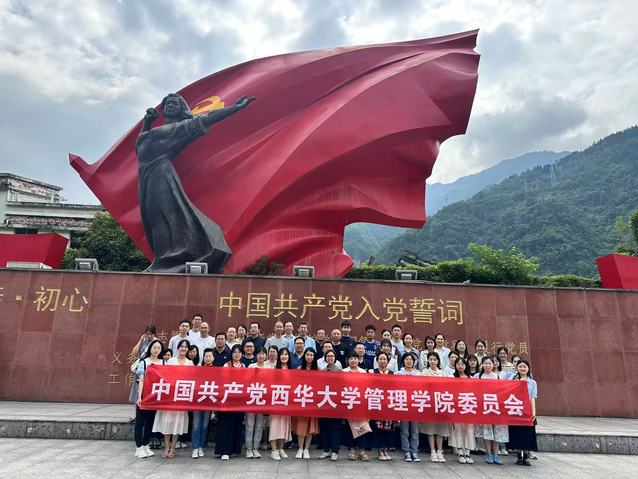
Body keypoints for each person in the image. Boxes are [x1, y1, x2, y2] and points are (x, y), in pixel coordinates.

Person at [152, 339, 193, 458]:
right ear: (178, 348)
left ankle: (173, 448)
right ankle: (166, 448)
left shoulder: (190, 363)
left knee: (177, 423)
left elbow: (191, 379)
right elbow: (165, 376)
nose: (183, 348)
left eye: (186, 347)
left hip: (182, 396)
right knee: (167, 422)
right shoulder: (171, 360)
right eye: (181, 346)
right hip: (170, 396)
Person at [474, 356, 508, 465]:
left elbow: (504, 391)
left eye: (490, 363)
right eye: (485, 363)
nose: (488, 365)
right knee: (487, 431)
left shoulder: (498, 377)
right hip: (484, 407)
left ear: (493, 365)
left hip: (496, 407)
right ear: (482, 365)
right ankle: (488, 454)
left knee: (497, 431)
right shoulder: (477, 376)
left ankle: (496, 454)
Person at [134, 338, 163, 458]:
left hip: (155, 396)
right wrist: (139, 397)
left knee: (150, 422)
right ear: (150, 348)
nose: (156, 350)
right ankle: (139, 447)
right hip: (145, 395)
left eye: (158, 348)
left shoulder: (163, 362)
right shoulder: (144, 362)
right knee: (140, 422)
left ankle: (146, 444)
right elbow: (141, 380)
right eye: (154, 347)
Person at [216, 345, 246, 460]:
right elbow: (224, 380)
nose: (237, 354)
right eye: (235, 352)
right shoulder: (226, 365)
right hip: (227, 399)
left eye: (239, 352)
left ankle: (234, 449)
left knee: (237, 424)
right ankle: (224, 450)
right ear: (231, 354)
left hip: (239, 401)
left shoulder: (244, 366)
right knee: (226, 425)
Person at [508, 359, 538, 466]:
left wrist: (533, 412)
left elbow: (532, 398)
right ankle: (518, 457)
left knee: (527, 434)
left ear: (528, 368)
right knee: (517, 433)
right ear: (517, 368)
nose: (522, 368)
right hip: (516, 409)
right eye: (520, 366)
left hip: (527, 410)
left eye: (524, 366)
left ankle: (525, 456)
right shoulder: (512, 379)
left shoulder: (532, 382)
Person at [421, 352, 450, 463]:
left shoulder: (443, 374)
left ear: (438, 361)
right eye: (431, 359)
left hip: (440, 403)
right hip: (429, 403)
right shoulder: (424, 373)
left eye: (434, 359)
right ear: (428, 361)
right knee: (430, 428)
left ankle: (440, 450)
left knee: (440, 428)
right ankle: (432, 451)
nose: (432, 361)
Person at [293, 347, 319, 459]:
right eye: (307, 355)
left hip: (313, 402)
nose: (309, 357)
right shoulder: (299, 369)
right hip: (302, 401)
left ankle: (306, 449)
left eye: (311, 355)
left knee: (310, 426)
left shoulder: (318, 370)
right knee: (301, 425)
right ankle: (300, 448)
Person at [245, 346, 271, 458]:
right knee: (250, 424)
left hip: (262, 399)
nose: (261, 356)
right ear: (256, 355)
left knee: (260, 425)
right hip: (251, 398)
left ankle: (256, 448)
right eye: (259, 354)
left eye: (263, 354)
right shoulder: (251, 366)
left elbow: (271, 382)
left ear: (266, 355)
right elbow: (246, 380)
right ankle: (249, 448)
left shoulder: (269, 367)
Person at [449, 357, 475, 464]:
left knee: (469, 430)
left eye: (462, 364)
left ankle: (467, 452)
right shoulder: (451, 377)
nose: (460, 366)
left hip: (468, 406)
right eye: (458, 364)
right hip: (457, 406)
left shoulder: (471, 378)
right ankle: (460, 452)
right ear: (455, 365)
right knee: (458, 429)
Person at [269, 348, 293, 461]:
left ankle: (280, 448)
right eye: (282, 354)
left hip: (287, 402)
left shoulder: (292, 371)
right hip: (276, 401)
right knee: (275, 425)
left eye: (286, 354)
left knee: (284, 425)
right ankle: (273, 450)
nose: (284, 356)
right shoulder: (274, 370)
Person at [318, 350, 342, 461]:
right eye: (328, 356)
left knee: (334, 429)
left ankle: (335, 451)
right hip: (324, 402)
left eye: (332, 356)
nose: (330, 358)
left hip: (335, 404)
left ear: (335, 358)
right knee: (324, 428)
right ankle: (326, 450)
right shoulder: (322, 371)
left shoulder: (339, 370)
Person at [397, 352, 421, 462]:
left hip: (415, 404)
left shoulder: (418, 374)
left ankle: (414, 451)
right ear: (403, 361)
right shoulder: (399, 373)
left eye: (411, 359)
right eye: (406, 359)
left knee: (415, 430)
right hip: (404, 404)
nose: (409, 361)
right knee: (405, 430)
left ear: (414, 361)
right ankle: (406, 451)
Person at [371, 352, 395, 461]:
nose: (382, 361)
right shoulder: (373, 372)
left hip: (388, 404)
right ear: (377, 361)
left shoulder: (392, 374)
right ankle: (380, 450)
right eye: (380, 359)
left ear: (388, 361)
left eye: (384, 359)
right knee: (379, 428)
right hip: (377, 403)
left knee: (388, 428)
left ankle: (386, 450)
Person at [191, 348, 214, 459]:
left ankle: (201, 446)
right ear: (203, 358)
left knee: (205, 425)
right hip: (198, 401)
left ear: (213, 358)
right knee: (196, 425)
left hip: (209, 402)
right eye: (206, 356)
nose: (208, 358)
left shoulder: (217, 370)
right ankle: (195, 447)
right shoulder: (198, 369)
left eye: (210, 356)